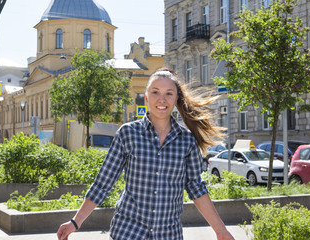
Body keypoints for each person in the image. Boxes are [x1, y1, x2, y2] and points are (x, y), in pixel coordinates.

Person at [57, 68, 234, 240]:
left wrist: (220, 231)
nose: (162, 99)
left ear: (176, 99)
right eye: (155, 92)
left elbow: (196, 188)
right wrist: (75, 222)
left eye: (169, 93)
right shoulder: (127, 134)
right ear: (147, 97)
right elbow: (103, 183)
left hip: (168, 234)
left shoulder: (186, 141)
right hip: (128, 232)